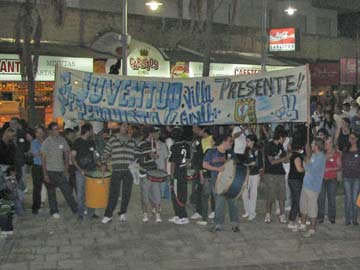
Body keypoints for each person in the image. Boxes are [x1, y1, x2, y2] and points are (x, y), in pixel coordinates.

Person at [101, 123, 136, 224]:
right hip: (116, 170)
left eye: (127, 126)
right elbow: (105, 153)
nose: (125, 128)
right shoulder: (113, 139)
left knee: (126, 193)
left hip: (128, 171)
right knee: (113, 194)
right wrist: (103, 163)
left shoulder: (132, 141)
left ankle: (123, 213)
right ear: (119, 127)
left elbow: (136, 155)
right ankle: (108, 215)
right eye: (123, 126)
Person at [203, 134, 239, 232]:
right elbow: (205, 165)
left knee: (233, 203)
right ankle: (218, 224)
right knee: (219, 203)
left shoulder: (230, 153)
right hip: (217, 182)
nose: (231, 143)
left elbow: (235, 165)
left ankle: (234, 223)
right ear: (223, 142)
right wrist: (218, 169)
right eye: (230, 141)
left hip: (230, 182)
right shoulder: (211, 152)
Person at [41, 122, 78, 218]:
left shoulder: (62, 140)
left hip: (60, 171)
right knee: (51, 192)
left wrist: (66, 168)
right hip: (50, 171)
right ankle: (54, 211)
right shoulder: (46, 142)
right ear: (50, 131)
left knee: (67, 192)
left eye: (58, 129)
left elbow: (66, 153)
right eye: (55, 129)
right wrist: (45, 174)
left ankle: (75, 209)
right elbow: (43, 159)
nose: (57, 131)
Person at [299, 137, 326, 237]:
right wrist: (307, 158)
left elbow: (311, 169)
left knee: (312, 208)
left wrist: (306, 162)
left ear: (317, 146)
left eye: (313, 144)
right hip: (306, 184)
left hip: (313, 187)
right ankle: (303, 224)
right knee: (303, 206)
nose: (311, 145)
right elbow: (308, 164)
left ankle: (312, 229)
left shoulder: (321, 157)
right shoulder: (313, 155)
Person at [71, 123, 99, 221]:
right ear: (87, 131)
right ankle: (80, 213)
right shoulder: (77, 142)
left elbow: (95, 156)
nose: (92, 132)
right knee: (80, 194)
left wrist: (100, 164)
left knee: (92, 193)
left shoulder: (92, 142)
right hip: (80, 172)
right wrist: (79, 169)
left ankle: (91, 212)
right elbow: (72, 157)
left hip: (92, 171)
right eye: (91, 130)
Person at [136, 127, 163, 223]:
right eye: (154, 133)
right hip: (145, 173)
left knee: (156, 194)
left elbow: (154, 157)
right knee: (145, 195)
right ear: (150, 134)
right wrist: (148, 156)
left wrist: (155, 156)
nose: (155, 135)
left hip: (154, 172)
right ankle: (145, 214)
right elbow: (137, 159)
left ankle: (157, 214)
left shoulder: (153, 144)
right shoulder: (140, 144)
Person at [264, 129, 289, 224]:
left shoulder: (281, 146)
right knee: (270, 195)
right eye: (284, 138)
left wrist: (288, 157)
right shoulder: (269, 146)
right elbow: (272, 161)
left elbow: (284, 160)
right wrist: (283, 158)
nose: (285, 140)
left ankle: (282, 214)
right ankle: (268, 214)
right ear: (281, 137)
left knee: (282, 195)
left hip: (280, 173)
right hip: (270, 174)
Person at [168, 127, 191, 225]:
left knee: (177, 195)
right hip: (183, 172)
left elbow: (172, 163)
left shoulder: (174, 147)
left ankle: (183, 216)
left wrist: (171, 176)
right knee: (181, 193)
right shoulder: (186, 145)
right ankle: (178, 215)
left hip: (177, 174)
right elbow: (189, 160)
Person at [318, 136, 341, 224]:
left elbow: (339, 166)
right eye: (325, 143)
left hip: (332, 179)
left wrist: (329, 169)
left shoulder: (336, 154)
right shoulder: (321, 153)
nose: (326, 145)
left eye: (327, 143)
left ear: (331, 144)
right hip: (322, 179)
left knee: (331, 198)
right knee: (321, 198)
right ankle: (320, 217)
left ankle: (332, 217)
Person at [242, 134, 263, 221]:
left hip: (254, 175)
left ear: (253, 141)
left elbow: (258, 164)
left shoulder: (257, 151)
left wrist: (250, 164)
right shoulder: (246, 150)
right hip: (246, 174)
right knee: (244, 193)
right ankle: (247, 210)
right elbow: (244, 161)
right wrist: (248, 164)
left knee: (253, 194)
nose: (246, 142)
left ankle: (252, 213)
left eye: (248, 141)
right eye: (246, 141)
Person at [341, 132, 360, 226]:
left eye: (353, 138)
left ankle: (355, 219)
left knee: (355, 199)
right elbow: (342, 162)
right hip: (347, 177)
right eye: (350, 138)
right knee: (348, 198)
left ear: (357, 139)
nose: (351, 140)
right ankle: (348, 219)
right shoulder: (345, 150)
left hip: (357, 177)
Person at [287, 140, 305, 230]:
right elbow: (299, 169)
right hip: (295, 181)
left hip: (293, 180)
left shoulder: (293, 155)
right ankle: (291, 221)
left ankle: (302, 218)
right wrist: (306, 168)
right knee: (297, 201)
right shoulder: (297, 157)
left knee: (297, 200)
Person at [189, 126, 205, 221]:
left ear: (201, 128)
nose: (192, 129)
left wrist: (201, 171)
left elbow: (201, 157)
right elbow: (194, 154)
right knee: (197, 189)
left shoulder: (203, 140)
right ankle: (199, 210)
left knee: (200, 190)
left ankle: (200, 212)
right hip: (196, 167)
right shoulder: (195, 139)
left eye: (194, 127)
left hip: (201, 168)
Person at [30, 126, 46, 215]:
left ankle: (53, 207)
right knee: (37, 188)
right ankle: (36, 206)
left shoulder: (47, 141)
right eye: (37, 132)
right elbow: (35, 154)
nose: (39, 134)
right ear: (35, 133)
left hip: (47, 167)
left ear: (43, 133)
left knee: (50, 187)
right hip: (37, 167)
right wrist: (44, 149)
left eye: (41, 132)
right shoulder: (34, 142)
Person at [64, 128, 77, 196]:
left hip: (71, 165)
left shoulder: (71, 142)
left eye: (73, 134)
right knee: (72, 182)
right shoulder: (67, 143)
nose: (73, 135)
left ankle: (70, 197)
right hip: (69, 165)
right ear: (67, 135)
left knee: (71, 183)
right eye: (71, 134)